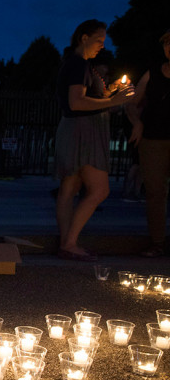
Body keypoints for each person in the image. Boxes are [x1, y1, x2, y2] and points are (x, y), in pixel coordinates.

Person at [54, 20, 134, 262]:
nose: (102, 45)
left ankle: (66, 242)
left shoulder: (76, 64)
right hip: (84, 133)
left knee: (69, 189)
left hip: (73, 130)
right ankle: (69, 243)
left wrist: (109, 93)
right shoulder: (78, 64)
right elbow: (77, 102)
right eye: (99, 40)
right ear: (84, 38)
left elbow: (80, 99)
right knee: (99, 189)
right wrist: (114, 101)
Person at [126, 29, 170, 258]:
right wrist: (137, 123)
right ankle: (157, 242)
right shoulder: (153, 73)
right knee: (154, 192)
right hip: (153, 139)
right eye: (167, 43)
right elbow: (132, 102)